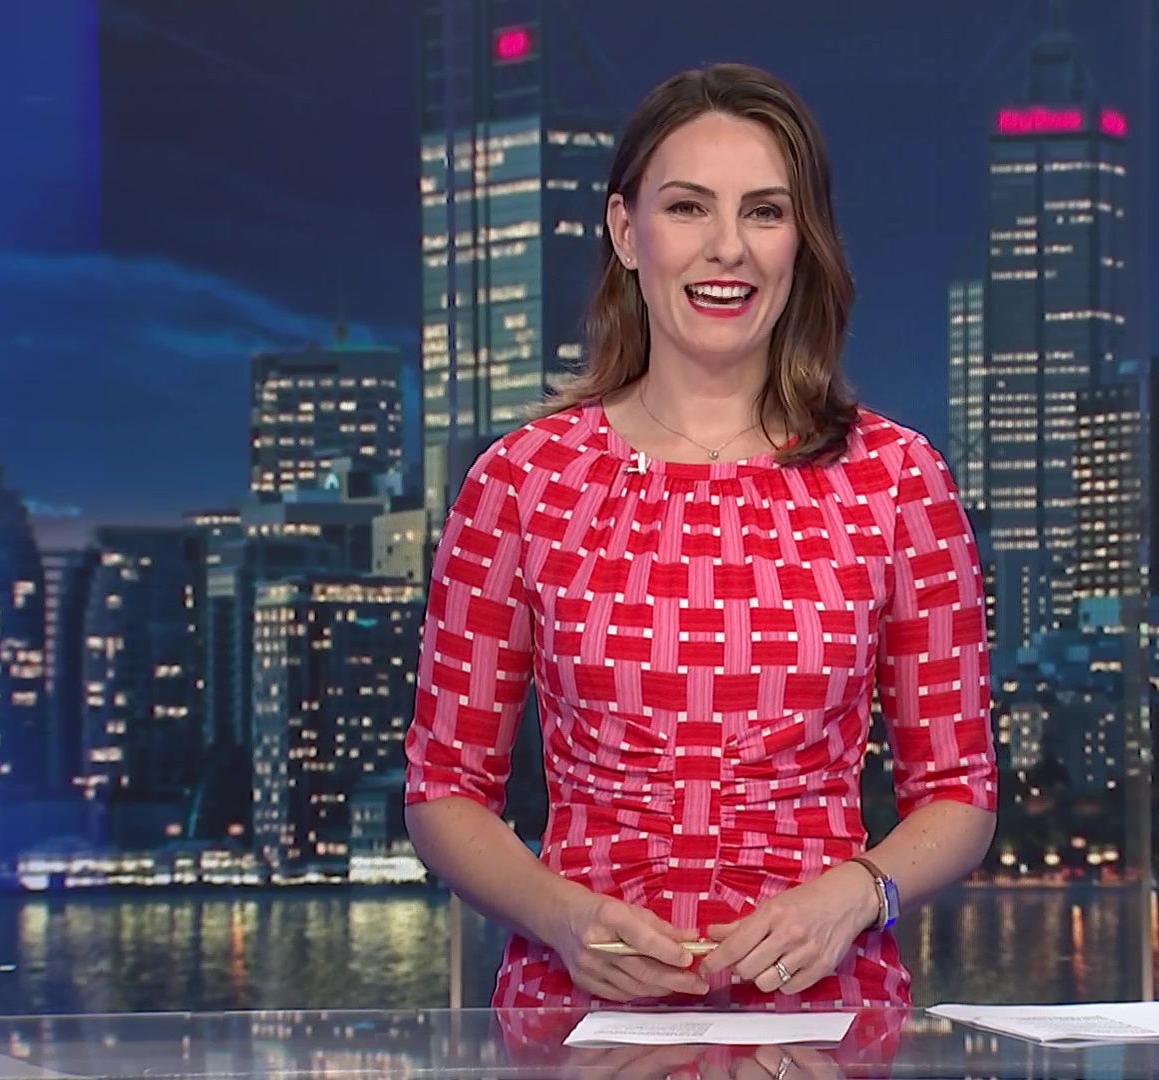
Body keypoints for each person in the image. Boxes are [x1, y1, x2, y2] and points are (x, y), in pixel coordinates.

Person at [404, 62, 996, 1011]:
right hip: (580, 1028)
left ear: (803, 241)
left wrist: (856, 895)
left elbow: (960, 791)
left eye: (765, 212)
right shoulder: (521, 482)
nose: (728, 248)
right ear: (624, 231)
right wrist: (562, 917)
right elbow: (443, 788)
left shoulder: (897, 480)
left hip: (823, 1027)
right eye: (687, 208)